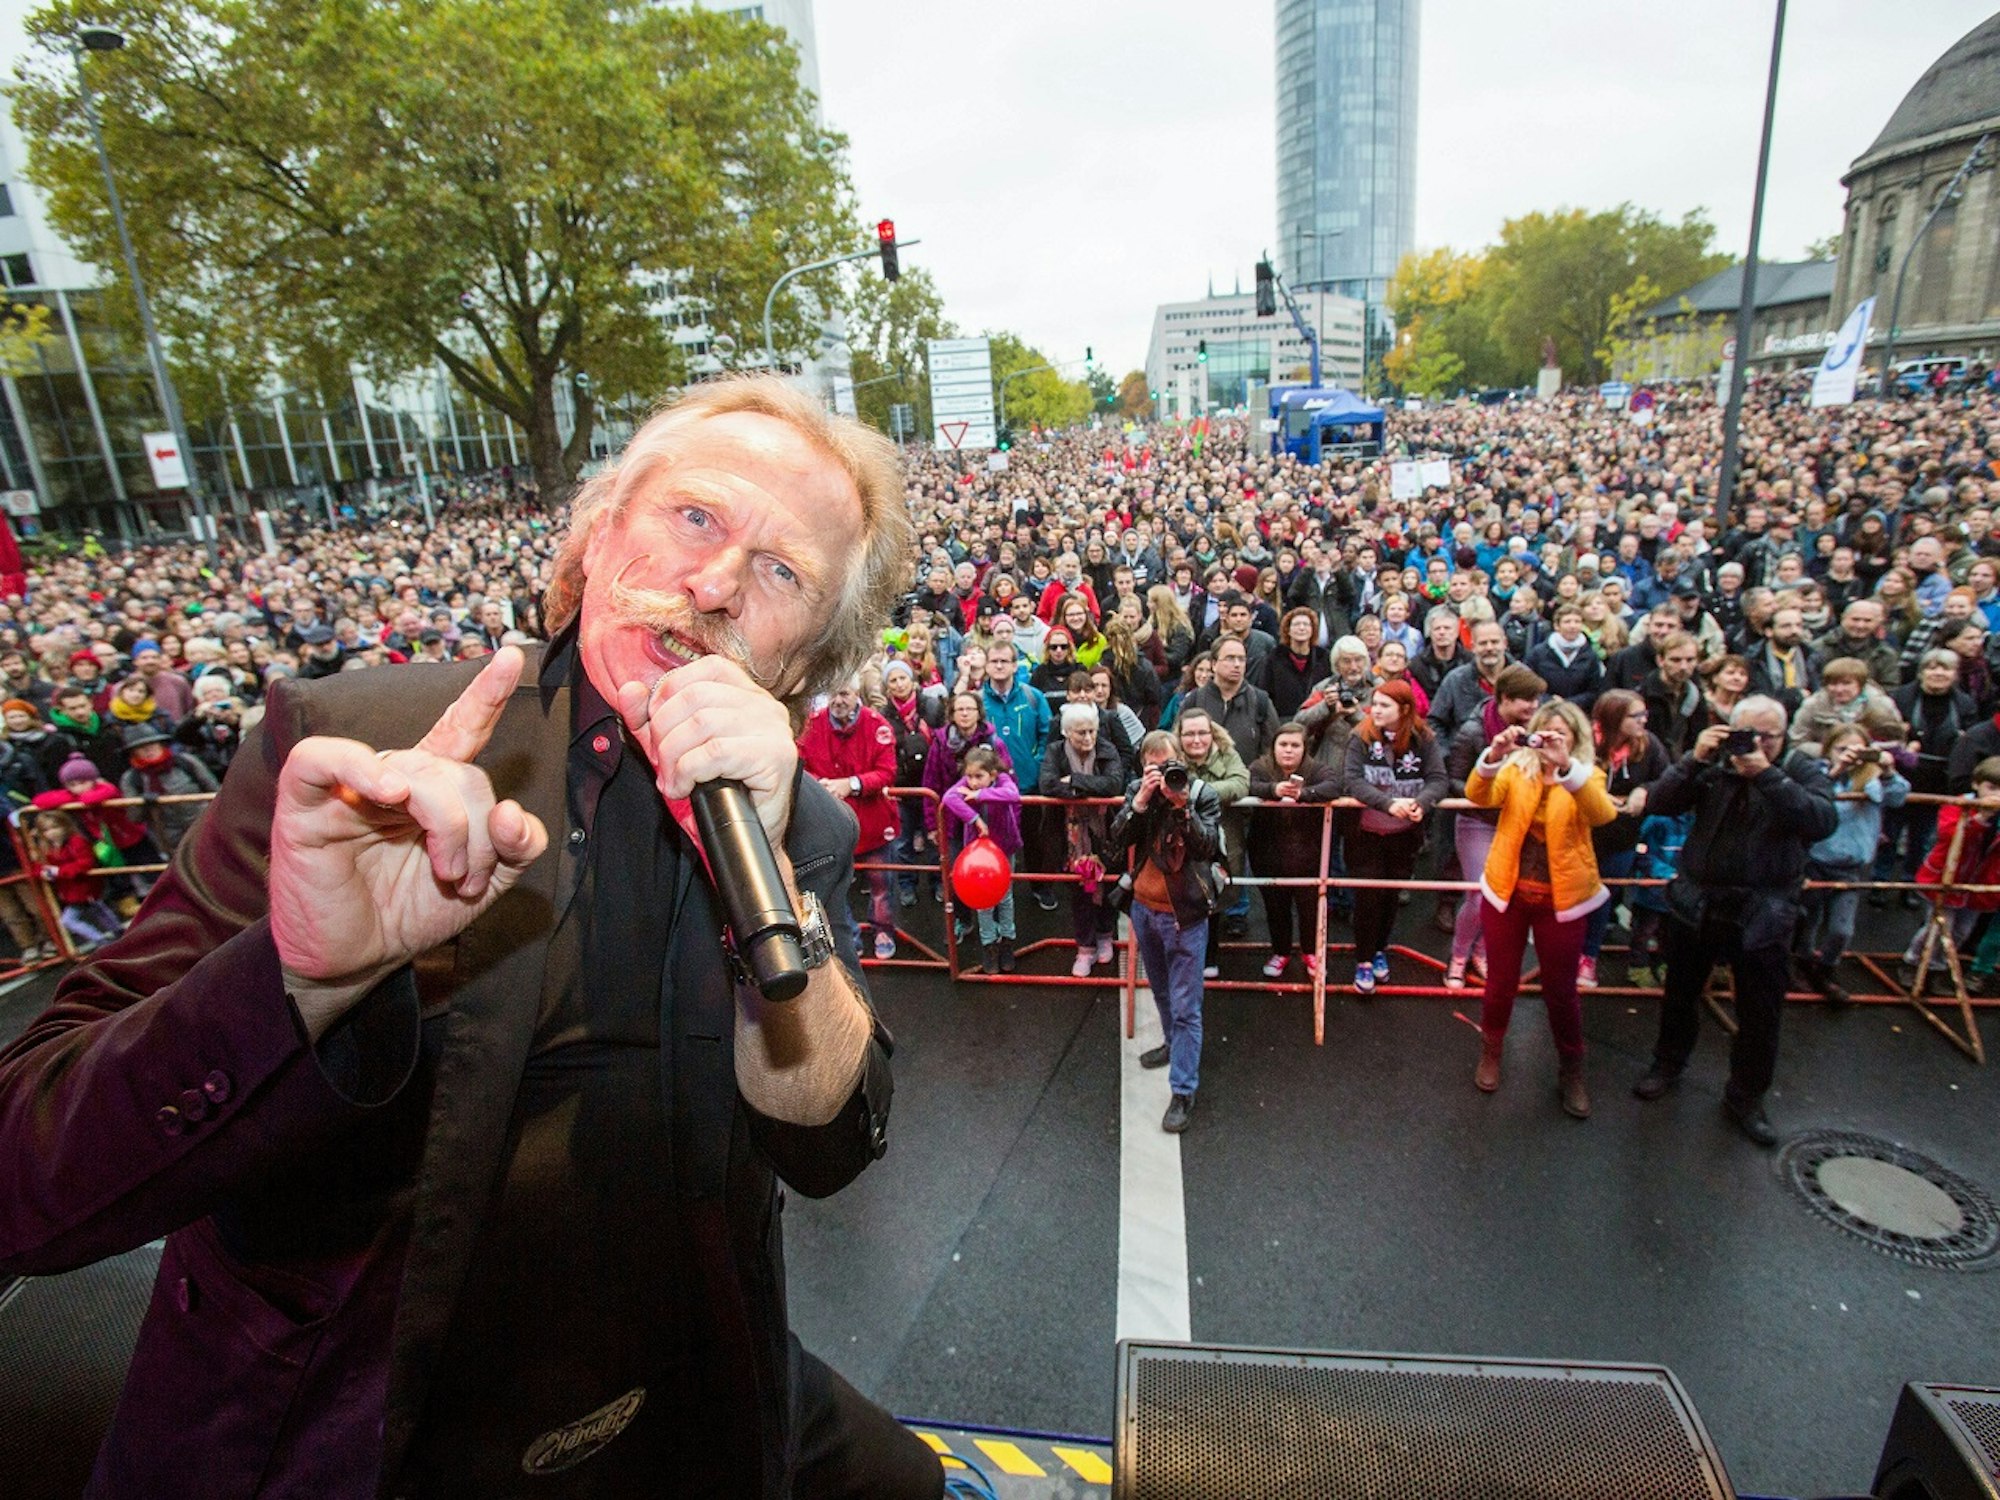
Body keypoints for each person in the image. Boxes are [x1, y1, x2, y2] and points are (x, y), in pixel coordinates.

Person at [0, 378, 944, 1498]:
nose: (717, 585)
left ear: (802, 668)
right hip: (353, 1427)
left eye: (783, 572)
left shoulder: (799, 830)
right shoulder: (353, 749)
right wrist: (300, 977)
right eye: (695, 516)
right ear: (597, 538)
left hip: (686, 1399)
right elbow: (27, 1168)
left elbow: (829, 1145)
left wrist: (775, 881)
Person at [1633, 697, 1838, 1146]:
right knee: (1680, 993)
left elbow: (1821, 820)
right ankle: (1667, 1063)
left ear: (1784, 736)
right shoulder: (1712, 764)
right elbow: (1660, 802)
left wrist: (1765, 773)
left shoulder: (1800, 768)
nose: (1756, 744)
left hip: (1765, 908)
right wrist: (1694, 759)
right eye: (1748, 734)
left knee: (1761, 1011)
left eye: (1768, 736)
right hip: (1698, 899)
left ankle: (1746, 1096)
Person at [1463, 699, 1616, 1117]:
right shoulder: (1516, 769)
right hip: (1507, 892)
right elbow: (1477, 795)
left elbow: (1602, 815)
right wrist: (1493, 756)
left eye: (1561, 734)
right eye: (1545, 732)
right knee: (1500, 983)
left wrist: (1567, 768)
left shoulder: (1589, 776)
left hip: (1562, 900)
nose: (1550, 740)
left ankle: (1572, 1069)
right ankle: (1491, 1051)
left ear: (1576, 739)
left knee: (1561, 992)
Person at [1111, 729, 1223, 1134]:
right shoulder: (1136, 791)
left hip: (1185, 914)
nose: (1160, 772)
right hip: (1144, 909)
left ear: (1181, 762)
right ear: (1144, 766)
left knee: (1186, 1006)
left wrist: (1181, 808)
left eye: (1167, 763)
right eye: (1152, 765)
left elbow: (1207, 847)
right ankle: (1174, 1048)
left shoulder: (1200, 794)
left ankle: (1183, 1090)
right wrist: (1140, 802)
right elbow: (1116, 841)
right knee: (1160, 991)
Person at [1442, 664, 1545, 989]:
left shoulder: (1538, 728)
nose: (1532, 707)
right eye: (1525, 700)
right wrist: (1494, 781)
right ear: (1503, 698)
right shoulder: (1473, 731)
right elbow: (1453, 781)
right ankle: (1458, 957)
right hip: (1478, 823)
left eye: (1535, 700)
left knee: (1508, 896)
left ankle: (1482, 951)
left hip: (1520, 823)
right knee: (1479, 896)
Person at [1340, 681, 1445, 994]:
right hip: (1366, 833)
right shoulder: (1359, 735)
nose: (1376, 710)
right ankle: (1364, 960)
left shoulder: (1423, 738)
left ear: (1404, 709)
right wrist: (1388, 803)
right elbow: (1352, 780)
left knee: (1390, 897)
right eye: (1375, 703)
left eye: (1385, 705)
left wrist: (1421, 802)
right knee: (1367, 897)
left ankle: (1380, 950)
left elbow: (1438, 779)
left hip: (1403, 836)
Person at [1796, 724, 1907, 1004]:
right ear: (1828, 750)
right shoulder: (1819, 773)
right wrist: (1837, 770)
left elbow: (1899, 797)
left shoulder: (1872, 778)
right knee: (1809, 919)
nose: (1850, 756)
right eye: (1841, 749)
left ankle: (1827, 969)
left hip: (1852, 865)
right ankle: (1802, 962)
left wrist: (1888, 770)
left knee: (1841, 929)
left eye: (1856, 750)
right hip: (1817, 860)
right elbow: (1807, 799)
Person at [797, 677, 902, 961]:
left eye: (844, 693)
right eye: (832, 693)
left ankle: (883, 931)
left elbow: (887, 772)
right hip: (828, 826)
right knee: (835, 891)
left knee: (881, 886)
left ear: (857, 694)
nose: (838, 700)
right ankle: (848, 939)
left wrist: (850, 783)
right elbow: (797, 763)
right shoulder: (811, 724)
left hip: (874, 825)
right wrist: (820, 785)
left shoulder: (877, 724)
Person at [1579, 690, 1669, 989]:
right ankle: (1569, 953)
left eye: (1644, 714)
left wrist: (1646, 790)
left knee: (1604, 897)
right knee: (1575, 897)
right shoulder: (1585, 743)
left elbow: (1668, 780)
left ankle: (1588, 956)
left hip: (1623, 836)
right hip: (1583, 834)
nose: (1644, 720)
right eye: (1636, 715)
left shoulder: (1649, 745)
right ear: (1614, 717)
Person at [1246, 723, 1341, 978]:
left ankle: (1311, 953)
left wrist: (1304, 794)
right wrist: (1272, 790)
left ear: (1304, 748)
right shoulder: (1261, 767)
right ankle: (1281, 951)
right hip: (1267, 852)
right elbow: (1248, 784)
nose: (1288, 751)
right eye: (1283, 745)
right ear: (1274, 746)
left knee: (1310, 908)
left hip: (1308, 853)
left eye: (1295, 745)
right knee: (1276, 908)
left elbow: (1334, 786)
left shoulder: (1317, 769)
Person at [1039, 701, 1127, 977]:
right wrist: (1086, 789)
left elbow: (1114, 784)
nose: (1088, 738)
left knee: (1109, 888)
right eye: (1081, 733)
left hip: (1107, 833)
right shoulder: (1055, 751)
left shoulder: (1106, 748)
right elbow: (1048, 784)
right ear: (1067, 733)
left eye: (1091, 731)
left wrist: (1073, 782)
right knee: (1079, 894)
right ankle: (1085, 947)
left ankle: (1105, 935)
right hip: (1069, 837)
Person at [1175, 707, 1251, 976]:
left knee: (1214, 898)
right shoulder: (1172, 755)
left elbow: (1241, 783)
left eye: (1202, 733)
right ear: (1180, 735)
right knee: (1183, 897)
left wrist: (1196, 793)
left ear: (1212, 733)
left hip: (1221, 840)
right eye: (1190, 734)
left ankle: (1210, 956)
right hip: (1182, 840)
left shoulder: (1228, 753)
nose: (1196, 740)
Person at [941, 745, 1022, 975]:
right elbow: (949, 798)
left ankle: (1007, 940)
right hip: (978, 854)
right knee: (983, 901)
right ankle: (989, 944)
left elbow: (1012, 794)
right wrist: (975, 818)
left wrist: (980, 795)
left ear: (993, 774)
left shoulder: (1003, 780)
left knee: (1005, 897)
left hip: (1003, 848)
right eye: (969, 776)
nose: (973, 782)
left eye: (979, 776)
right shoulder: (965, 785)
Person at [118, 722, 220, 858]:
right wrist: (143, 802)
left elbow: (216, 792)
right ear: (133, 752)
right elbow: (134, 817)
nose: (149, 750)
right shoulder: (132, 778)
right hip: (171, 842)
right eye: (141, 748)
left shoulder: (186, 763)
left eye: (152, 744)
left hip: (206, 829)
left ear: (161, 744)